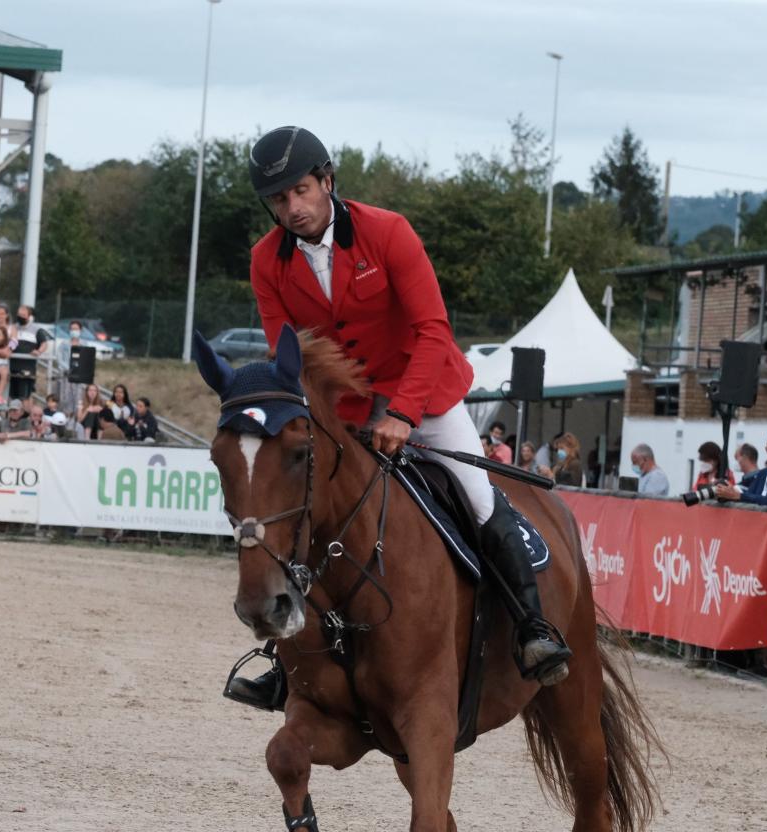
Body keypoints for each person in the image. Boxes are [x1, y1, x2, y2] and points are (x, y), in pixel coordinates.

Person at [227, 126, 570, 713]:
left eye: (302, 191)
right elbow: (289, 357)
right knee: (304, 515)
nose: (293, 208)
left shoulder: (389, 232)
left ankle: (533, 626)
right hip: (344, 417)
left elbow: (432, 331)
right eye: (279, 200)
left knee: (478, 495)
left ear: (327, 182)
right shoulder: (267, 261)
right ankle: (286, 662)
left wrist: (405, 414)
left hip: (424, 396)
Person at [8, 304, 51, 401]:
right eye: (19, 314)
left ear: (29, 316)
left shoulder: (36, 329)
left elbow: (44, 344)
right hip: (12, 366)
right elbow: (10, 343)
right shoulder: (13, 327)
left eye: (23, 314)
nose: (20, 317)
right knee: (11, 395)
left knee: (24, 396)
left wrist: (38, 351)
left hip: (27, 368)